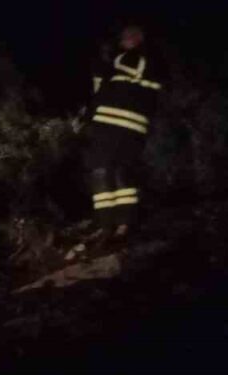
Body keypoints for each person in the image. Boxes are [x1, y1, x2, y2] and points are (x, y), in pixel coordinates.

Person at [83, 24, 163, 244]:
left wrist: (104, 61)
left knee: (109, 171)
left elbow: (113, 76)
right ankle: (111, 225)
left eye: (126, 39)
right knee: (110, 172)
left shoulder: (138, 58)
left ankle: (120, 225)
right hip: (117, 123)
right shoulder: (128, 61)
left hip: (115, 122)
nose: (122, 42)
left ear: (137, 39)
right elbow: (101, 88)